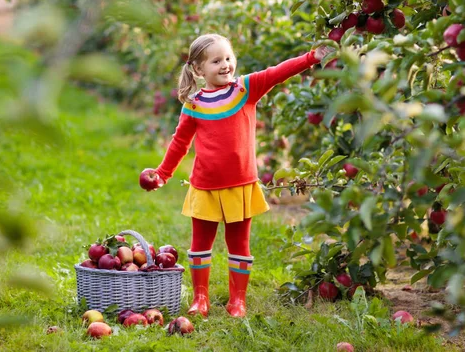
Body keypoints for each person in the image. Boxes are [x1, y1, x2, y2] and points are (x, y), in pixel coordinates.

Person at [140, 33, 332, 318]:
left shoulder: (245, 90)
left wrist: (310, 58)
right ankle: (200, 299)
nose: (225, 65)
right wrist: (163, 173)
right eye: (216, 61)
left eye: (228, 58)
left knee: (240, 244)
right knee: (200, 246)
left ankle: (237, 301)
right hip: (204, 186)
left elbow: (277, 73)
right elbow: (180, 142)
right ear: (198, 69)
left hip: (241, 184)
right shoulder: (193, 104)